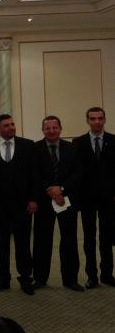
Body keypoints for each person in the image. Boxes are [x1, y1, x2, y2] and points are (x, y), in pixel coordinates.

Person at [0, 114, 36, 295]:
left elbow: (33, 176)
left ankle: (25, 279)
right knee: (1, 244)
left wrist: (32, 199)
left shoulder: (28, 145)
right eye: (6, 125)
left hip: (22, 205)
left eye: (12, 124)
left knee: (23, 243)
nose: (11, 128)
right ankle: (3, 279)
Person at [32, 116, 83, 292]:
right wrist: (51, 190)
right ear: (43, 130)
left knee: (69, 240)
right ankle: (39, 278)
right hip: (44, 202)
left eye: (55, 128)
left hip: (66, 200)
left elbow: (78, 174)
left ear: (61, 129)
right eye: (48, 128)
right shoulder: (35, 148)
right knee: (41, 241)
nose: (51, 131)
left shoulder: (72, 148)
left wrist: (60, 189)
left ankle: (71, 279)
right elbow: (34, 175)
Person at [72, 107, 115, 289]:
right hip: (87, 199)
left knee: (107, 237)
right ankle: (92, 276)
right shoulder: (78, 142)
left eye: (100, 118)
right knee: (89, 238)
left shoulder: (114, 141)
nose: (96, 122)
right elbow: (75, 171)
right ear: (87, 121)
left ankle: (107, 274)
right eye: (92, 118)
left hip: (109, 198)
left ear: (104, 120)